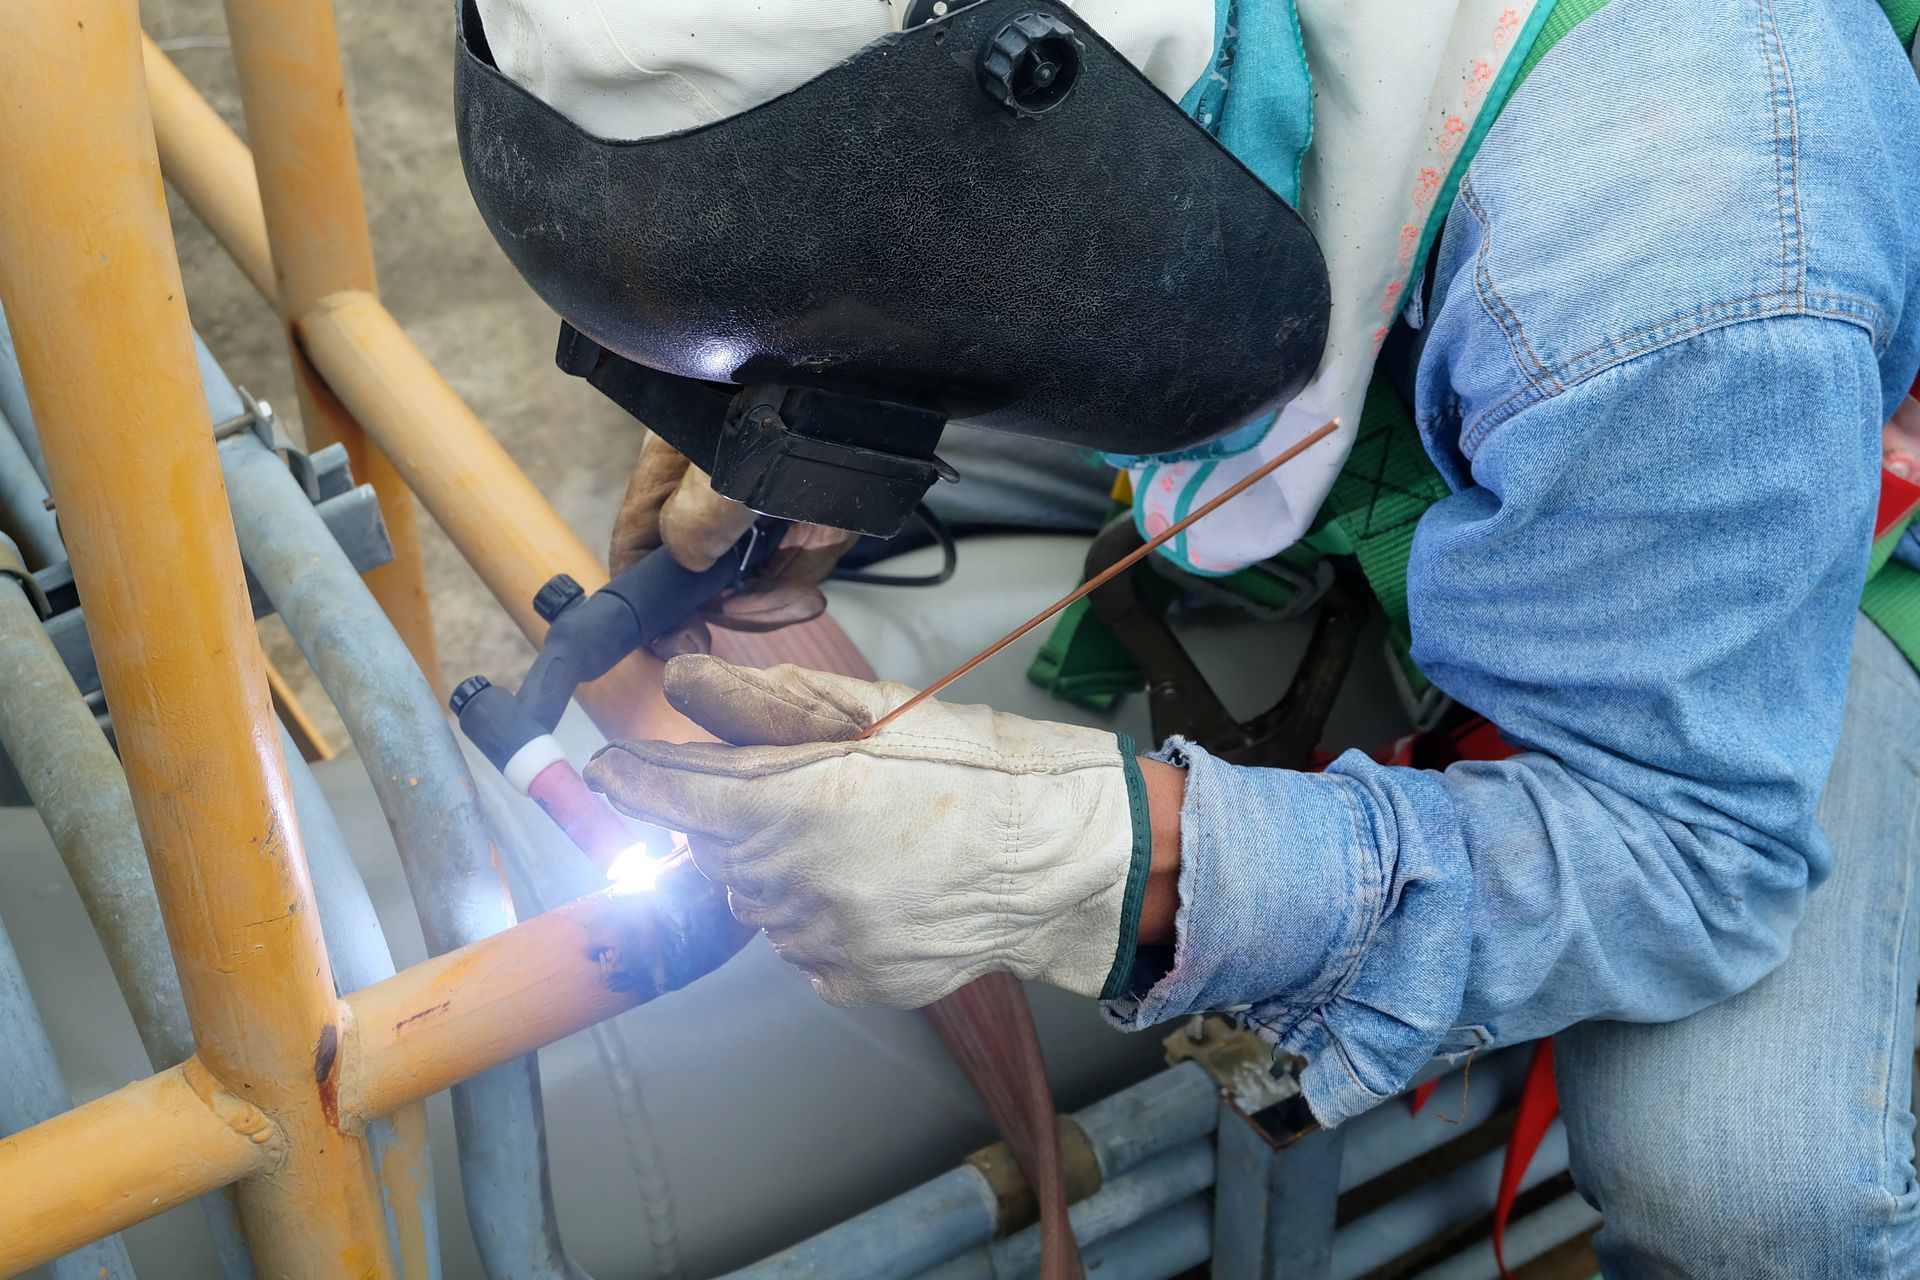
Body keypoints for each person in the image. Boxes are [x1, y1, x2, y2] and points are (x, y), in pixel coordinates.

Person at [471, 1, 1920, 1274]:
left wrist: (1119, 861)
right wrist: (806, 413)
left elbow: (1689, 851)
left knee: (1748, 1200)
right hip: (1392, 350)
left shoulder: (1686, 241)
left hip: (1762, 525)